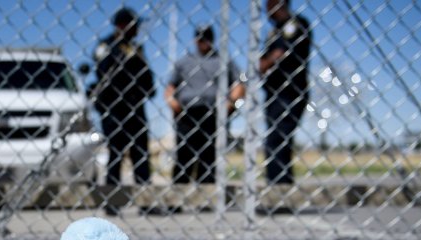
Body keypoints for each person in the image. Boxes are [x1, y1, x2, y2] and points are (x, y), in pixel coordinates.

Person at [92, 7, 156, 215]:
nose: (137, 29)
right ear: (123, 26)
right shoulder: (106, 46)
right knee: (116, 155)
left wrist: (146, 87)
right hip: (114, 110)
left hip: (135, 108)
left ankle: (146, 202)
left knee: (141, 155)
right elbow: (103, 72)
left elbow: (146, 76)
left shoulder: (136, 48)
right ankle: (112, 202)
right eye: (134, 25)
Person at [165, 25, 245, 187]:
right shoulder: (185, 62)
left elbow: (239, 83)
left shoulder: (223, 60)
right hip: (187, 113)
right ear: (195, 39)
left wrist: (230, 105)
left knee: (209, 155)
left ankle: (206, 198)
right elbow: (170, 86)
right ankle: (177, 197)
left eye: (207, 38)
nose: (203, 42)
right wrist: (172, 103)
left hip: (212, 112)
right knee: (184, 154)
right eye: (200, 38)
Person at [260, 0, 310, 185]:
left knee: (278, 139)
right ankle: (279, 186)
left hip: (290, 91)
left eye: (269, 5)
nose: (266, 11)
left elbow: (277, 55)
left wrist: (263, 64)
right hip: (274, 92)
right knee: (275, 139)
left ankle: (279, 188)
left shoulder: (295, 24)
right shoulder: (274, 31)